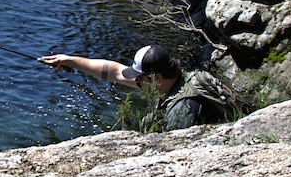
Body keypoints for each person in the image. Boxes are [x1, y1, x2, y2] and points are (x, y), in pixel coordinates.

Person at [39, 44, 236, 131]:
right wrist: (71, 61)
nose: (137, 83)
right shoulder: (179, 79)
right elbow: (114, 71)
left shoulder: (183, 109)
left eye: (140, 78)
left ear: (156, 77)